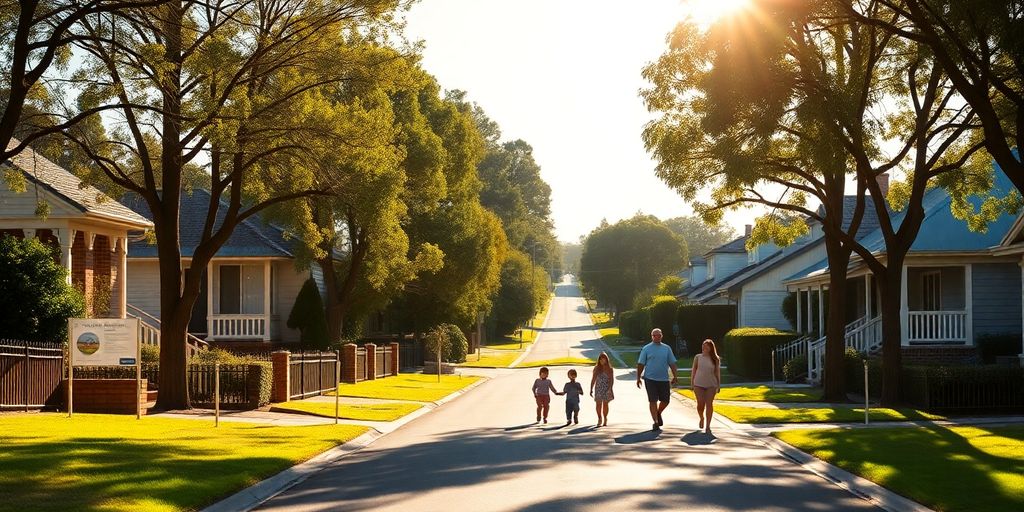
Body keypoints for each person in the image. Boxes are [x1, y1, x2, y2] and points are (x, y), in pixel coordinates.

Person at [636, 328, 678, 431]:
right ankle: (655, 421)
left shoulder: (667, 348)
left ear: (661, 336)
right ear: (652, 336)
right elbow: (641, 364)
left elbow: (672, 363)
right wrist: (638, 378)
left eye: (658, 335)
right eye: (654, 335)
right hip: (650, 378)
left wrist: (675, 376)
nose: (657, 337)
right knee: (653, 400)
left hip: (663, 379)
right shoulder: (646, 348)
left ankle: (658, 412)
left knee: (665, 400)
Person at [691, 339, 722, 434]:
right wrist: (692, 382)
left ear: (710, 348)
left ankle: (708, 426)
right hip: (698, 384)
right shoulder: (698, 357)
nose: (704, 347)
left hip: (711, 384)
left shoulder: (715, 359)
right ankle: (701, 418)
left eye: (706, 346)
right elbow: (694, 370)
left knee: (709, 404)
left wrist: (718, 384)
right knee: (700, 404)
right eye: (703, 345)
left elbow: (717, 372)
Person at [590, 352, 615, 426]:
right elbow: (593, 379)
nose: (602, 361)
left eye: (604, 359)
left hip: (606, 388)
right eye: (601, 359)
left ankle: (605, 417)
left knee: (605, 404)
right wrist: (591, 388)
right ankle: (599, 418)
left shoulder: (610, 369)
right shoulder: (596, 368)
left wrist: (610, 388)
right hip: (598, 388)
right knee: (598, 404)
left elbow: (611, 380)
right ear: (599, 360)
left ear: (606, 360)